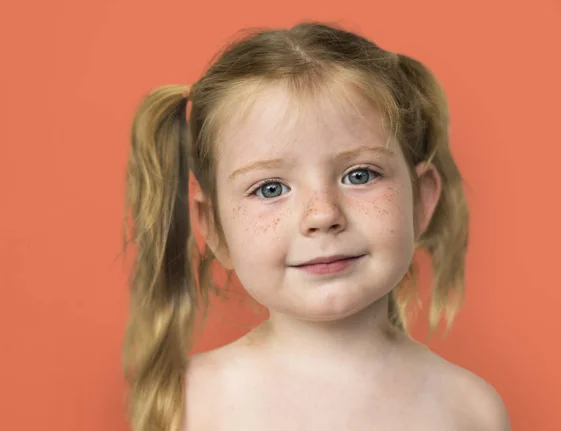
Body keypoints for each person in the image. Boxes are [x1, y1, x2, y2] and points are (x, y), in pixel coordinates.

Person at [122, 21, 510, 431]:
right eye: (270, 188)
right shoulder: (189, 404)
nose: (323, 215)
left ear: (422, 199)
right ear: (214, 227)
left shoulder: (470, 411)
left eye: (360, 175)